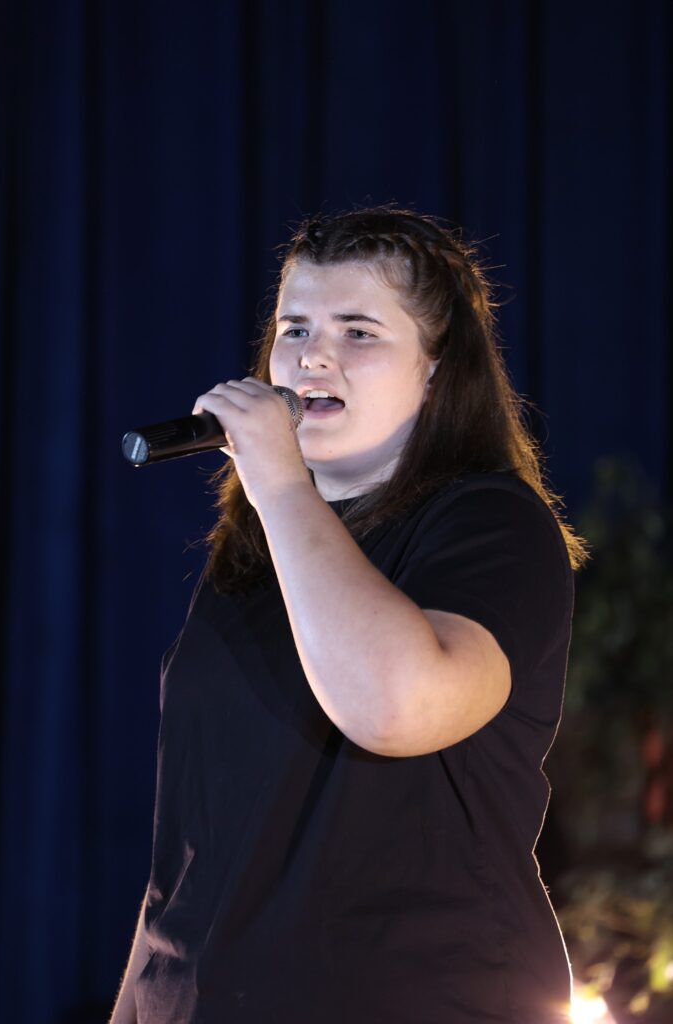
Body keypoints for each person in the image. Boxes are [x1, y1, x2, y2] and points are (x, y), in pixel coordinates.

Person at [110, 206, 589, 1024]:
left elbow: (395, 709)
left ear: (437, 371)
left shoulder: (491, 523)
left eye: (358, 332)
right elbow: (184, 863)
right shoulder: (255, 552)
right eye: (294, 329)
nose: (312, 355)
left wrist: (278, 482)